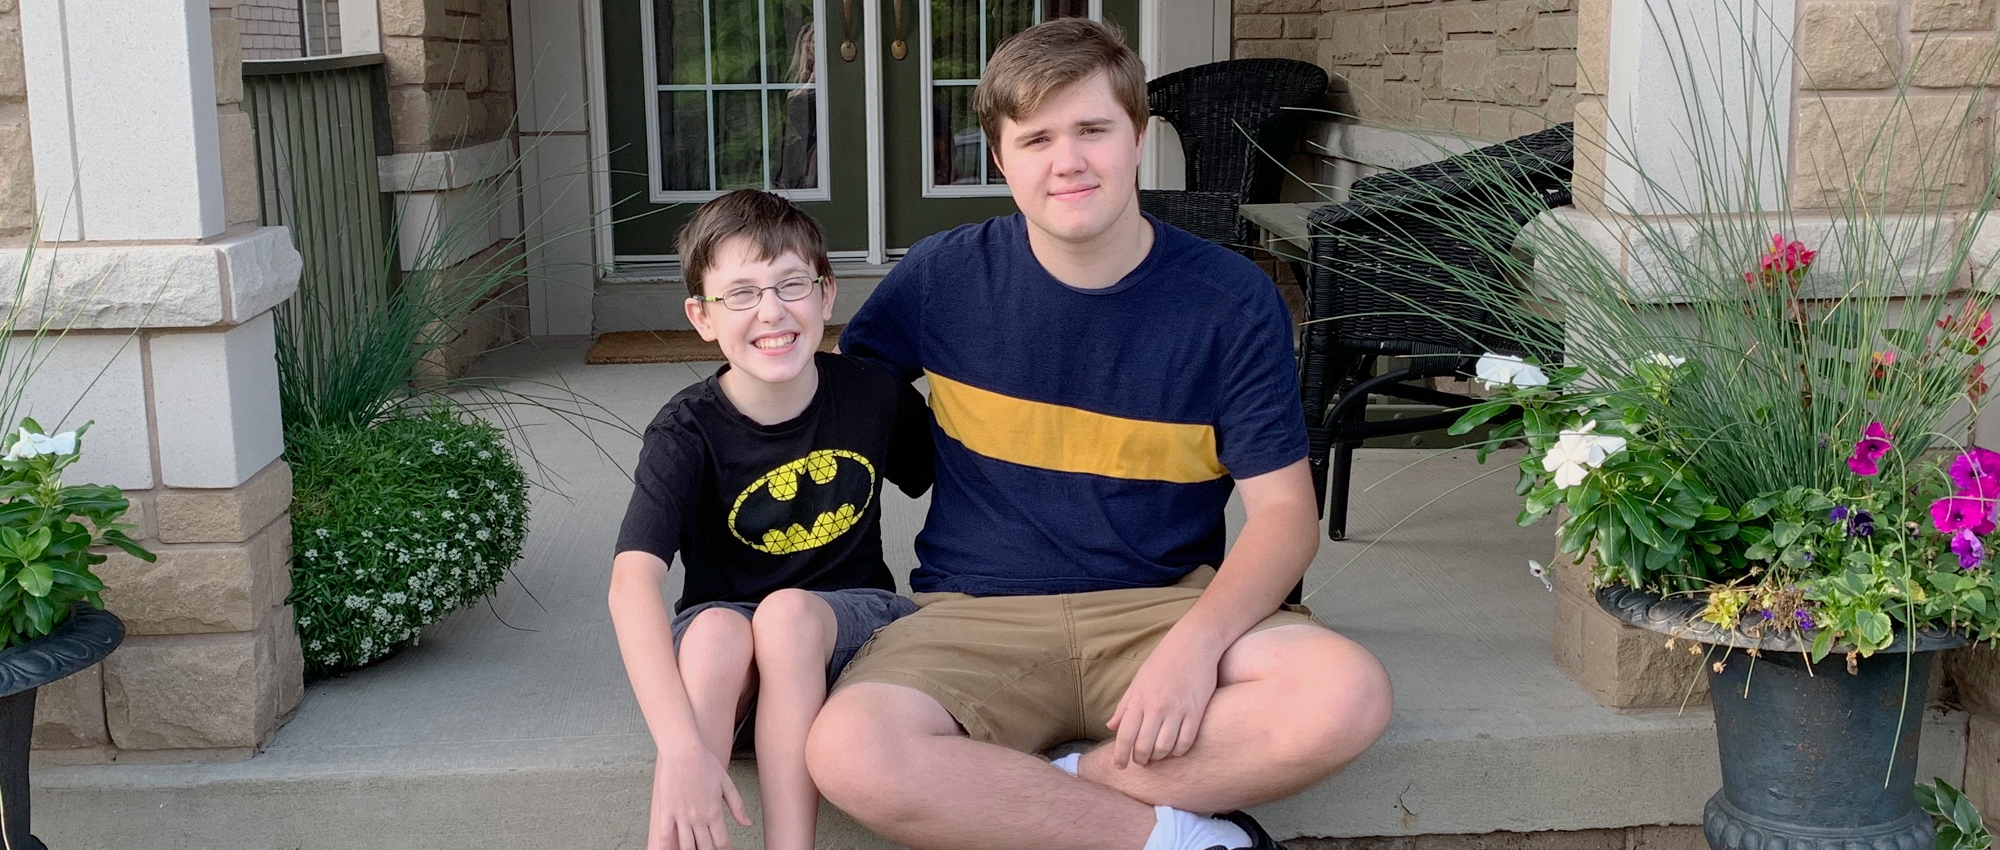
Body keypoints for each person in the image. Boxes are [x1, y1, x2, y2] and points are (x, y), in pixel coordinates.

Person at [805, 19, 1393, 850]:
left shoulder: (1228, 298)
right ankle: (1179, 839)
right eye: (1036, 138)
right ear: (1001, 159)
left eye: (1092, 129)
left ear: (1140, 137)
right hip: (977, 614)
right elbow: (833, 412)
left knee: (1345, 693)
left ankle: (1035, 797)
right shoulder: (943, 277)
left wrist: (1195, 647)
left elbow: (1287, 518)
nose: (1068, 160)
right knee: (851, 750)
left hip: (1164, 607)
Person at [608, 189, 934, 850]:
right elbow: (631, 584)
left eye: (791, 284)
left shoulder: (874, 395)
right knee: (717, 633)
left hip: (852, 635)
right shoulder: (686, 428)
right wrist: (681, 750)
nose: (772, 312)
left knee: (785, 616)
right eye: (742, 294)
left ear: (826, 295)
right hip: (729, 671)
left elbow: (959, 481)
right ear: (701, 316)